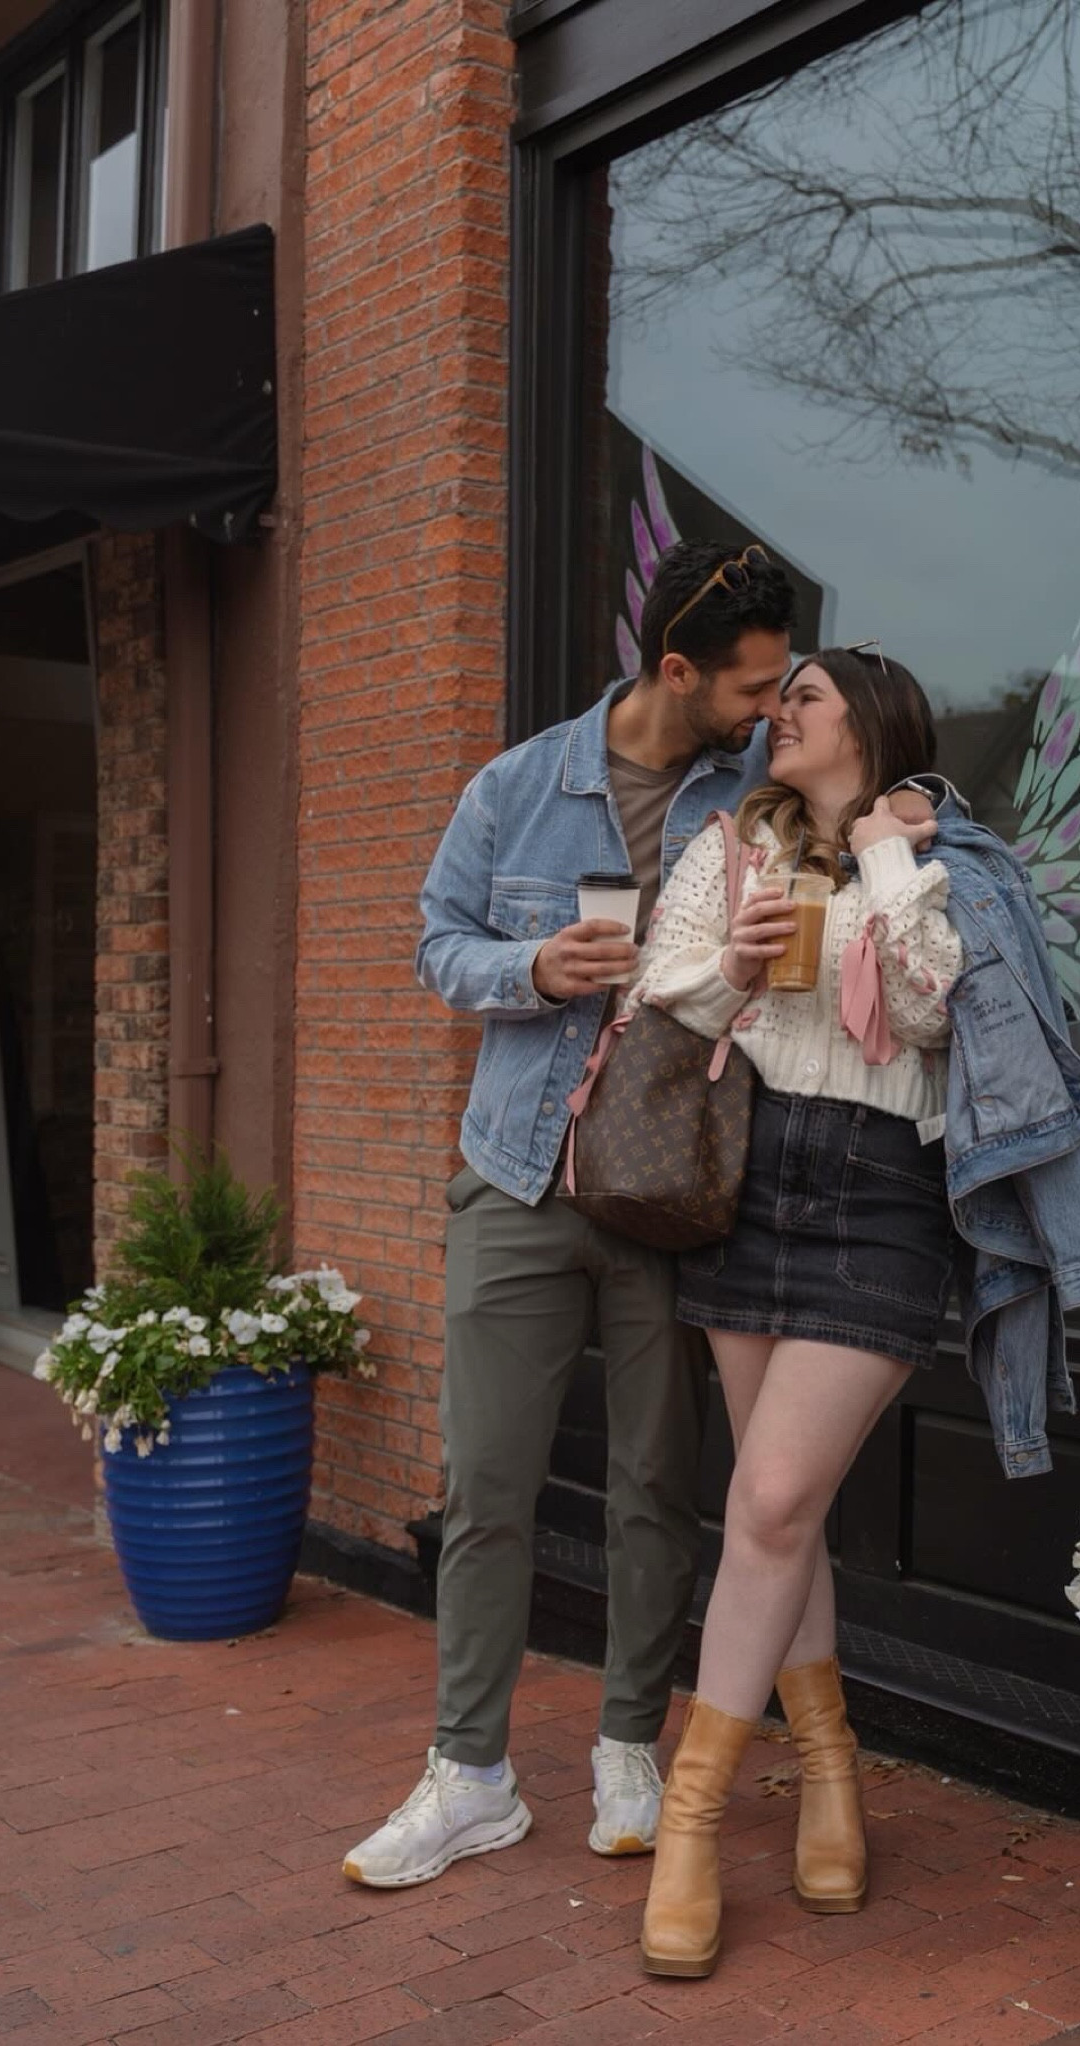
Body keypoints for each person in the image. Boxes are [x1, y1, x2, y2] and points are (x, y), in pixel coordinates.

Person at [341, 540, 797, 1891]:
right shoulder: (519, 786)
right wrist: (532, 964)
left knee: (654, 1483)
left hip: (673, 1188)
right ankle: (469, 1773)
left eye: (782, 689)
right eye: (752, 687)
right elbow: (434, 944)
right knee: (487, 1484)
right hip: (520, 1174)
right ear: (675, 670)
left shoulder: (758, 799)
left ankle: (626, 1743)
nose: (770, 709)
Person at [626, 645, 964, 1978]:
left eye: (804, 698)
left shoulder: (948, 851)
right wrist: (744, 968)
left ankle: (691, 1826)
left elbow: (935, 1012)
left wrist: (886, 858)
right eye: (778, 701)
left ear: (870, 722)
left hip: (883, 1194)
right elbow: (665, 982)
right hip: (750, 1174)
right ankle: (827, 1770)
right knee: (787, 1515)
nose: (779, 716)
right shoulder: (730, 847)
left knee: (767, 1502)